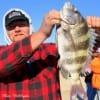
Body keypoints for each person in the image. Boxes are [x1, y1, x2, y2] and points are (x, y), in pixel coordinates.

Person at [0, 8, 98, 100]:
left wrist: (97, 33)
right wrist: (42, 33)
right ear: (6, 32)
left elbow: (81, 51)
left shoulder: (48, 49)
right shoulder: (3, 52)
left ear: (29, 26)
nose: (17, 29)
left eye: (21, 24)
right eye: (11, 27)